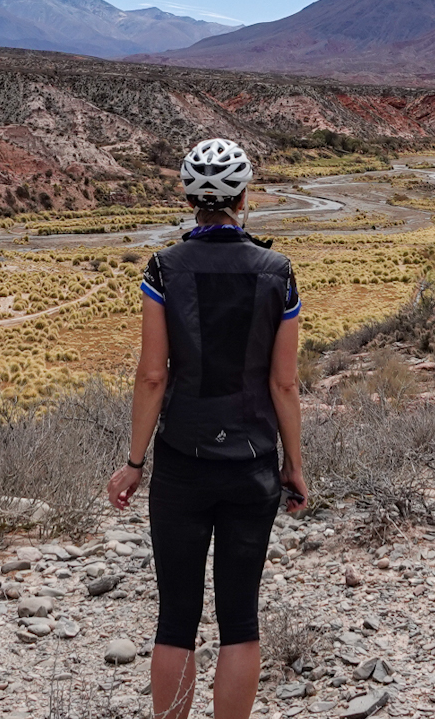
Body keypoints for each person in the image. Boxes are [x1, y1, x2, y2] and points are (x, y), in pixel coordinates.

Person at [106, 137, 307, 719]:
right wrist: (292, 465)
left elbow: (151, 375)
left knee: (176, 619)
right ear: (244, 197)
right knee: (240, 618)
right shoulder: (278, 272)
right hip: (251, 465)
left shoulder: (163, 268)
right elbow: (284, 385)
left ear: (189, 196)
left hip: (181, 462)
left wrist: (135, 462)